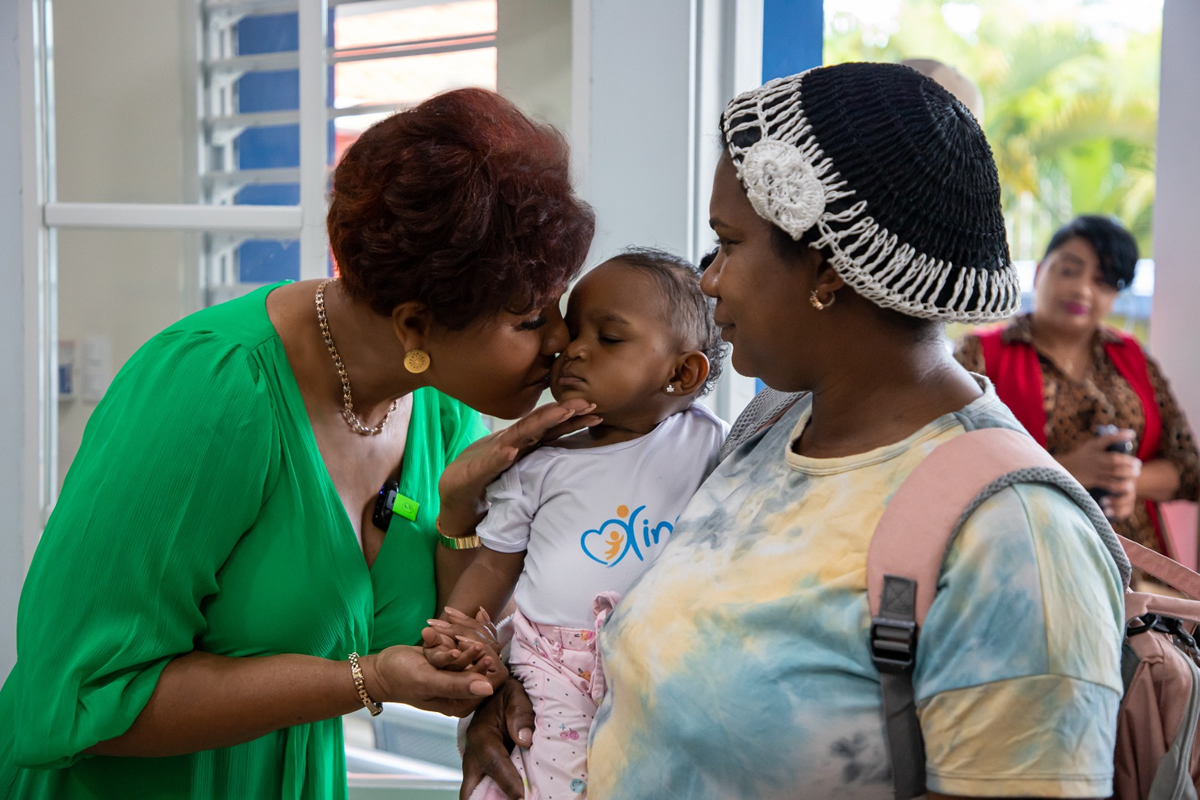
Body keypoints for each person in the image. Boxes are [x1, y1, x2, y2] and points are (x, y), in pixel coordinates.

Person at [464, 63, 1127, 800]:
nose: (708, 280)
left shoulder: (1015, 537)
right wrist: (520, 698)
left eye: (728, 244)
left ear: (827, 268)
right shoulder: (769, 427)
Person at [0, 88, 597, 800]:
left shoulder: (437, 405)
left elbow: (446, 626)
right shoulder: (212, 393)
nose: (561, 339)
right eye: (529, 319)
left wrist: (491, 671)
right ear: (414, 326)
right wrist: (365, 680)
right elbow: (74, 697)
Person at [432, 248, 728, 800]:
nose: (572, 350)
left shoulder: (710, 443)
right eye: (573, 332)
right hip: (551, 669)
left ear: (682, 373)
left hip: (662, 663)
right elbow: (494, 566)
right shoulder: (536, 465)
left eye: (609, 338)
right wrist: (460, 632)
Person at [955, 215, 1200, 560]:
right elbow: (950, 465)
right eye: (1069, 271)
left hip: (1135, 566)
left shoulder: (1133, 358)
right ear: (1039, 271)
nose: (1082, 289)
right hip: (1028, 557)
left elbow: (1188, 468)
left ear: (1115, 296)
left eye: (1102, 282)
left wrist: (1127, 480)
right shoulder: (980, 356)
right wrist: (1065, 470)